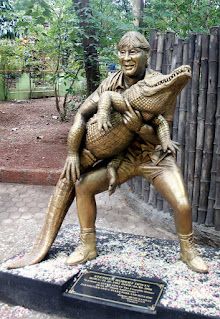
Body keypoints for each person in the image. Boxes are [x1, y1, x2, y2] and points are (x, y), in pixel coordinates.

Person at [7, 31, 208, 273]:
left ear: (147, 54)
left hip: (152, 158)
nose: (126, 58)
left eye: (133, 52)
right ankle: (87, 245)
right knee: (83, 186)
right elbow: (83, 112)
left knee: (183, 204)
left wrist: (138, 127)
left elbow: (160, 135)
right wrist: (74, 153)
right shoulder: (111, 83)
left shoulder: (162, 84)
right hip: (120, 158)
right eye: (122, 52)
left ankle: (188, 251)